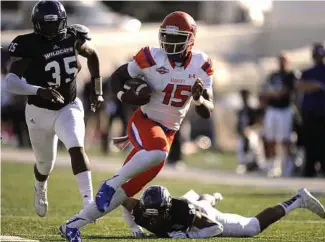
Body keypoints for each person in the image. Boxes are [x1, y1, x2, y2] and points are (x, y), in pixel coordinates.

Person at [59, 11, 215, 241]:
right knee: (156, 154)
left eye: (176, 38)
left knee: (126, 192)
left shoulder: (202, 64)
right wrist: (124, 95)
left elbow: (207, 110)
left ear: (190, 39)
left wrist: (199, 98)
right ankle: (110, 183)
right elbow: (117, 76)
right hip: (145, 122)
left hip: (168, 132)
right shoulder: (151, 56)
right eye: (167, 37)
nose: (169, 43)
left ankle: (72, 225)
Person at [4, 0, 103, 217]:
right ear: (36, 24)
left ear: (63, 22)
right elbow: (11, 81)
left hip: (69, 106)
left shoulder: (73, 37)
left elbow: (92, 55)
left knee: (77, 147)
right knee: (44, 164)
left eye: (55, 23)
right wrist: (39, 90)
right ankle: (40, 187)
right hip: (38, 112)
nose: (51, 29)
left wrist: (97, 89)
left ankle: (89, 204)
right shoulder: (27, 43)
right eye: (45, 24)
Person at [121, 185, 325, 238]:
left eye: (156, 213)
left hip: (200, 213)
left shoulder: (184, 213)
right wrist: (134, 226)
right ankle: (210, 196)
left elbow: (215, 228)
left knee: (251, 228)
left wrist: (188, 235)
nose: (151, 219)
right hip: (189, 202)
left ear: (166, 210)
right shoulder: (142, 209)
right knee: (199, 201)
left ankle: (298, 199)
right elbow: (122, 200)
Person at [296, 43, 325, 178]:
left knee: (323, 142)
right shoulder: (311, 70)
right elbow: (299, 84)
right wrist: (309, 85)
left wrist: (309, 85)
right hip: (308, 111)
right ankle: (310, 170)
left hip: (322, 111)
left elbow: (318, 86)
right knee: (309, 142)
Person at [260, 53, 300, 177]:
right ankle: (273, 165)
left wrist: (275, 93)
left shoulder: (291, 75)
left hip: (285, 109)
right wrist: (271, 94)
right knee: (270, 138)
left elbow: (286, 91)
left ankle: (287, 165)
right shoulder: (273, 75)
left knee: (285, 139)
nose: (282, 63)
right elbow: (265, 91)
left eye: (284, 60)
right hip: (272, 109)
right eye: (280, 60)